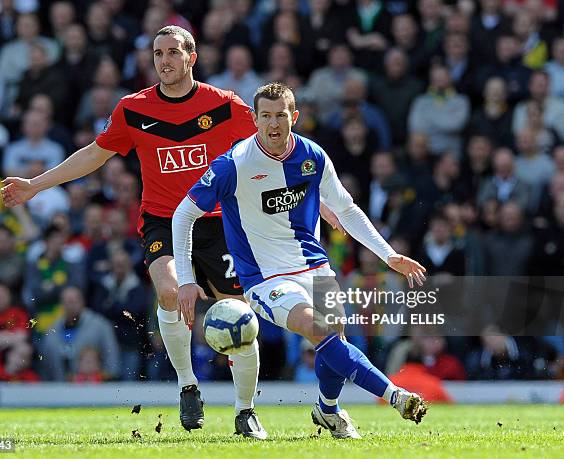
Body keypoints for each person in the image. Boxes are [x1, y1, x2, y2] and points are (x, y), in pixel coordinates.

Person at [2, 25, 277, 437]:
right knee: (167, 291)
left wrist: (315, 193)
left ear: (191, 57)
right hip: (163, 219)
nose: (164, 61)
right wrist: (35, 184)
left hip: (219, 221)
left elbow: (271, 145)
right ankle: (188, 386)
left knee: (237, 316)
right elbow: (94, 154)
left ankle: (245, 410)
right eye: (157, 53)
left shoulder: (224, 105)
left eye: (172, 53)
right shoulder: (134, 108)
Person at [173, 83, 429, 439]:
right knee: (319, 330)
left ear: (294, 117)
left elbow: (346, 209)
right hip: (266, 278)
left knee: (335, 334)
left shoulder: (313, 156)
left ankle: (327, 410)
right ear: (254, 119)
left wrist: (388, 254)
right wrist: (186, 278)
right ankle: (395, 395)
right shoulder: (234, 164)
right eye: (265, 116)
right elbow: (183, 214)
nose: (273, 124)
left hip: (315, 266)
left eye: (280, 115)